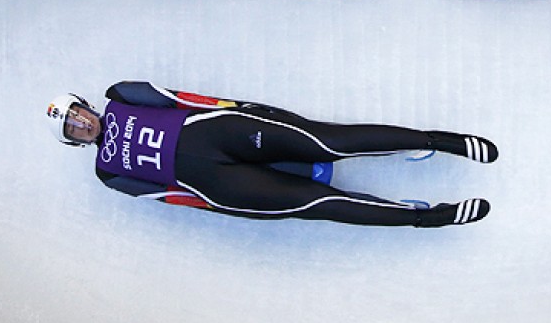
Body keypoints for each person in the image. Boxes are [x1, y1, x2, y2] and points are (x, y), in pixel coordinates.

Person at [46, 81, 498, 227]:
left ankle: (435, 142)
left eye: (76, 114)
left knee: (328, 141)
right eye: (73, 128)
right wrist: (217, 204)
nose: (82, 123)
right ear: (74, 141)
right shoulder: (108, 173)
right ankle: (424, 216)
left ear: (84, 104)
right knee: (317, 204)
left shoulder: (120, 95)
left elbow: (183, 98)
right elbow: (165, 198)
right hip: (215, 185)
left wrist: (239, 109)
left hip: (220, 132)